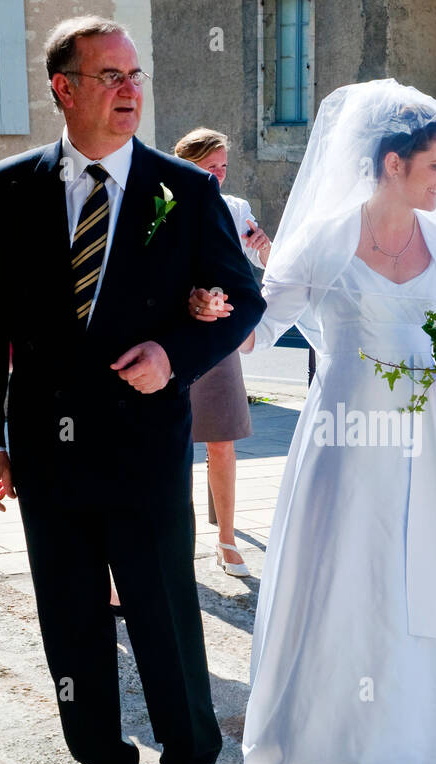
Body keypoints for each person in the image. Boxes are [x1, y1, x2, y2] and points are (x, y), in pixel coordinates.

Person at [0, 16, 263, 764]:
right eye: (110, 76)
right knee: (70, 616)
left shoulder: (185, 191)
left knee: (164, 612)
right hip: (45, 451)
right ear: (64, 87)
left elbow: (243, 301)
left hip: (144, 446)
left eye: (135, 76)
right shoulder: (11, 186)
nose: (131, 91)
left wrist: (177, 351)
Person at [221, 79, 436, 764]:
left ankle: (432, 723)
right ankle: (338, 734)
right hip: (344, 433)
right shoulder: (326, 237)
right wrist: (202, 320)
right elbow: (259, 328)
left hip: (421, 438)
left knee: (426, 565)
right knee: (349, 570)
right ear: (393, 162)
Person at [174, 127, 270, 577]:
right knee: (170, 446)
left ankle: (227, 541)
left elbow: (259, 262)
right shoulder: (163, 200)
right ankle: (177, 543)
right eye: (210, 167)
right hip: (172, 335)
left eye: (223, 167)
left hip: (219, 336)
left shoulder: (236, 209)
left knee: (222, 442)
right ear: (187, 164)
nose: (218, 175)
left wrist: (266, 250)